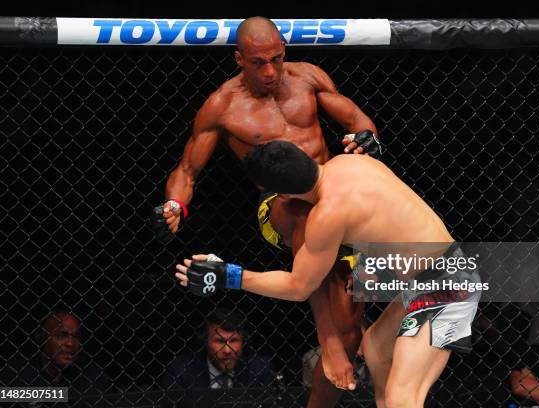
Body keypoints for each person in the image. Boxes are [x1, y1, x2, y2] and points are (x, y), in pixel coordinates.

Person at [151, 16, 379, 404]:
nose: (270, 71)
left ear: (284, 50)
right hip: (281, 207)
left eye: (275, 58)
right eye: (258, 62)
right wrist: (174, 205)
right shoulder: (222, 106)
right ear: (239, 58)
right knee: (306, 219)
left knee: (351, 330)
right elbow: (187, 170)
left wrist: (367, 138)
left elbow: (357, 120)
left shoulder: (308, 77)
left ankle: (334, 351)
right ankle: (327, 339)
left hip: (332, 194)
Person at [175, 141, 482, 408]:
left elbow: (298, 287)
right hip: (431, 275)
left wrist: (231, 275)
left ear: (281, 195)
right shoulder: (352, 162)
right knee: (376, 348)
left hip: (447, 284)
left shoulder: (328, 214)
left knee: (403, 396)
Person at [0, 309, 111, 399]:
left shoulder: (91, 372)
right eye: (62, 336)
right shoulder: (16, 372)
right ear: (43, 338)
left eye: (76, 337)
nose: (70, 343)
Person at [166, 308, 275, 389]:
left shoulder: (260, 368)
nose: (227, 350)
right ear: (205, 341)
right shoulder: (181, 370)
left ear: (243, 342)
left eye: (234, 341)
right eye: (219, 341)